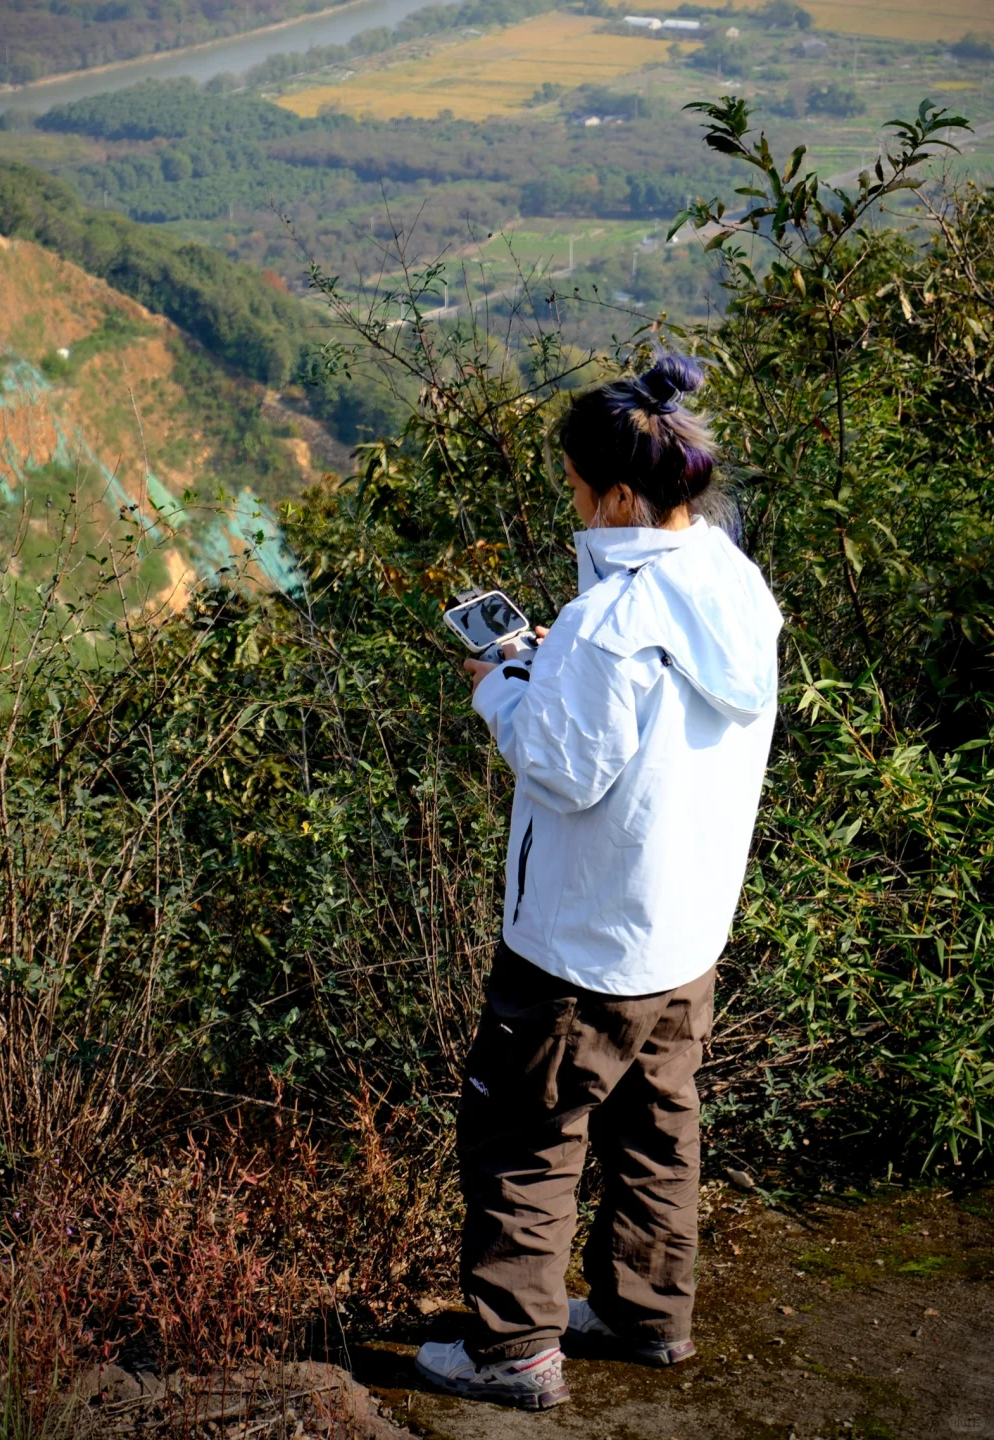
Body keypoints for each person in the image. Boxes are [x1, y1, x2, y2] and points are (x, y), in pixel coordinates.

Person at [415, 355, 782, 1410]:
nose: (572, 500)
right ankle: (646, 1313)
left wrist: (501, 689)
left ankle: (512, 1356)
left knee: (524, 1139)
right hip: (684, 933)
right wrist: (553, 664)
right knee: (657, 1125)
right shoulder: (733, 587)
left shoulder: (611, 624)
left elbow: (566, 768)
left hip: (580, 946)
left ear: (620, 495)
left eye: (577, 485)